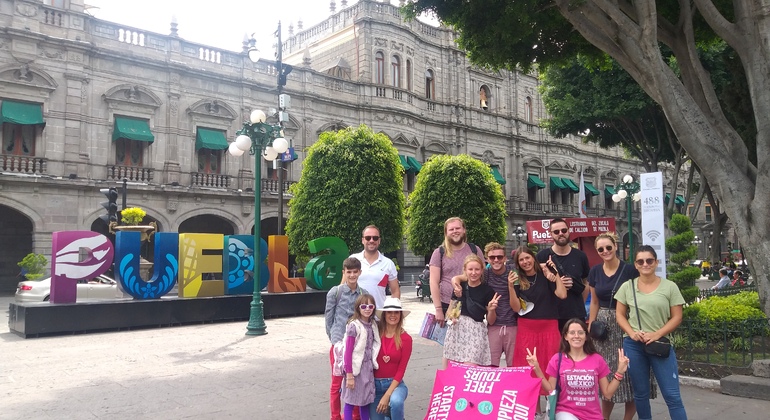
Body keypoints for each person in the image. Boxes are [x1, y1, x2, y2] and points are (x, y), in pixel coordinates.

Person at [615, 246, 688, 420]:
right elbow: (620, 314)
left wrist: (656, 334)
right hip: (634, 344)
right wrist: (631, 333)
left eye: (649, 260)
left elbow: (677, 317)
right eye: (640, 261)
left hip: (659, 343)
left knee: (672, 395)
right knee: (640, 393)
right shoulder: (628, 287)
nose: (645, 264)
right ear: (636, 265)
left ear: (656, 262)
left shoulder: (670, 286)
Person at [588, 232, 655, 420]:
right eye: (600, 249)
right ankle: (604, 417)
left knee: (630, 374)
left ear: (615, 246)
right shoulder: (594, 271)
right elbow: (594, 301)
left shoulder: (629, 271)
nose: (605, 251)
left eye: (608, 247)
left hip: (626, 324)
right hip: (603, 328)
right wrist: (590, 326)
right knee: (606, 373)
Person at [526, 318, 630, 420]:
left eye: (580, 332)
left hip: (593, 415)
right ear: (566, 336)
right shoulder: (557, 359)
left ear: (586, 337)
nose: (576, 336)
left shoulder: (597, 359)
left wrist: (619, 372)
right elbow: (550, 389)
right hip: (565, 412)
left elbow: (608, 393)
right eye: (572, 333)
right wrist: (537, 368)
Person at [511, 246, 567, 415]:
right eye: (521, 260)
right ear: (518, 263)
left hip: (549, 327)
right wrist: (509, 286)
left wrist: (556, 274)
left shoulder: (546, 274)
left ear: (533, 258)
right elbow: (515, 307)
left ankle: (552, 410)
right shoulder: (517, 279)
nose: (525, 262)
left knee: (551, 368)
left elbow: (562, 294)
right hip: (527, 329)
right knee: (529, 370)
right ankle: (536, 412)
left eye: (527, 258)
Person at [453, 242, 519, 367]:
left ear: (505, 258)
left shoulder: (513, 273)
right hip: (493, 326)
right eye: (492, 257)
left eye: (499, 257)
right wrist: (455, 281)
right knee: (490, 366)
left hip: (512, 325)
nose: (496, 260)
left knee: (514, 365)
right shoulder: (485, 274)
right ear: (487, 259)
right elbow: (464, 276)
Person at [326, 257, 370, 420]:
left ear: (360, 272)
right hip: (339, 344)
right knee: (337, 383)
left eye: (355, 272)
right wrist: (334, 339)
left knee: (357, 382)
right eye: (349, 272)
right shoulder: (335, 292)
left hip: (358, 344)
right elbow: (328, 318)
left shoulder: (364, 294)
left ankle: (355, 416)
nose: (352, 275)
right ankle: (336, 416)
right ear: (344, 272)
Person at [444, 254, 500, 368]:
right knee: (452, 369)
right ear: (465, 270)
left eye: (477, 269)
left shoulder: (487, 291)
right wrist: (452, 317)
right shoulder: (459, 287)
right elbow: (450, 312)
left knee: (470, 368)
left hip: (475, 332)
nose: (473, 273)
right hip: (456, 331)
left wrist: (491, 310)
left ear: (482, 270)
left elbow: (491, 321)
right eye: (470, 269)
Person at [536, 218, 591, 332]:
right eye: (556, 232)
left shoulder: (580, 256)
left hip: (575, 313)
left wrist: (581, 300)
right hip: (551, 314)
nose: (561, 234)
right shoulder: (542, 256)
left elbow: (586, 281)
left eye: (564, 230)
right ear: (551, 234)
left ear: (569, 231)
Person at [428, 217, 485, 325]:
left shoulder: (475, 250)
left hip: (472, 303)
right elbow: (433, 282)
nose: (455, 231)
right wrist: (438, 309)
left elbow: (483, 275)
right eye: (451, 229)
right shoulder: (439, 253)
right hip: (447, 304)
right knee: (450, 340)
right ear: (446, 233)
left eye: (458, 228)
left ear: (464, 230)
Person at [371, 297, 413, 420]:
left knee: (396, 402)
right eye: (389, 312)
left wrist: (387, 396)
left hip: (396, 385)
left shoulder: (406, 339)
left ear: (400, 315)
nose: (393, 315)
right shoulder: (375, 333)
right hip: (374, 386)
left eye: (396, 312)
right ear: (384, 315)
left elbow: (401, 370)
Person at [342, 294, 380, 420]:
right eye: (364, 306)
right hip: (354, 369)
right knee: (350, 401)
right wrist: (349, 375)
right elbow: (348, 352)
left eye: (370, 306)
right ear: (358, 308)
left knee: (365, 402)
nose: (367, 309)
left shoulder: (373, 324)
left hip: (368, 368)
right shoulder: (354, 326)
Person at [351, 225, 400, 309]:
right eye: (368, 238)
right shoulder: (353, 260)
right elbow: (343, 287)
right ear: (363, 240)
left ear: (379, 241)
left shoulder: (388, 264)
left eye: (375, 238)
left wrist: (391, 311)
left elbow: (395, 291)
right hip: (355, 315)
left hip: (378, 316)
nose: (371, 240)